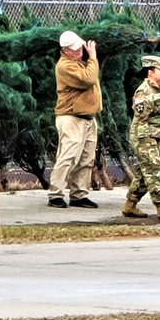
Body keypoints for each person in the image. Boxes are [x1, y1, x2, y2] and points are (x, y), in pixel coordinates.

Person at [123, 55, 160, 220]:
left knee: (144, 174)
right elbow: (141, 119)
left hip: (154, 135)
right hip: (144, 136)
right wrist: (147, 140)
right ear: (150, 72)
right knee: (154, 170)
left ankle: (130, 206)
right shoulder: (143, 92)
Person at [47, 30, 101, 209]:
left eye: (81, 48)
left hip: (87, 118)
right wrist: (93, 57)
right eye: (76, 50)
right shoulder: (65, 66)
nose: (80, 51)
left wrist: (89, 58)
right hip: (71, 117)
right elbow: (89, 79)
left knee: (87, 158)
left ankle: (79, 194)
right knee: (68, 156)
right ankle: (55, 193)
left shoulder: (80, 62)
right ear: (66, 51)